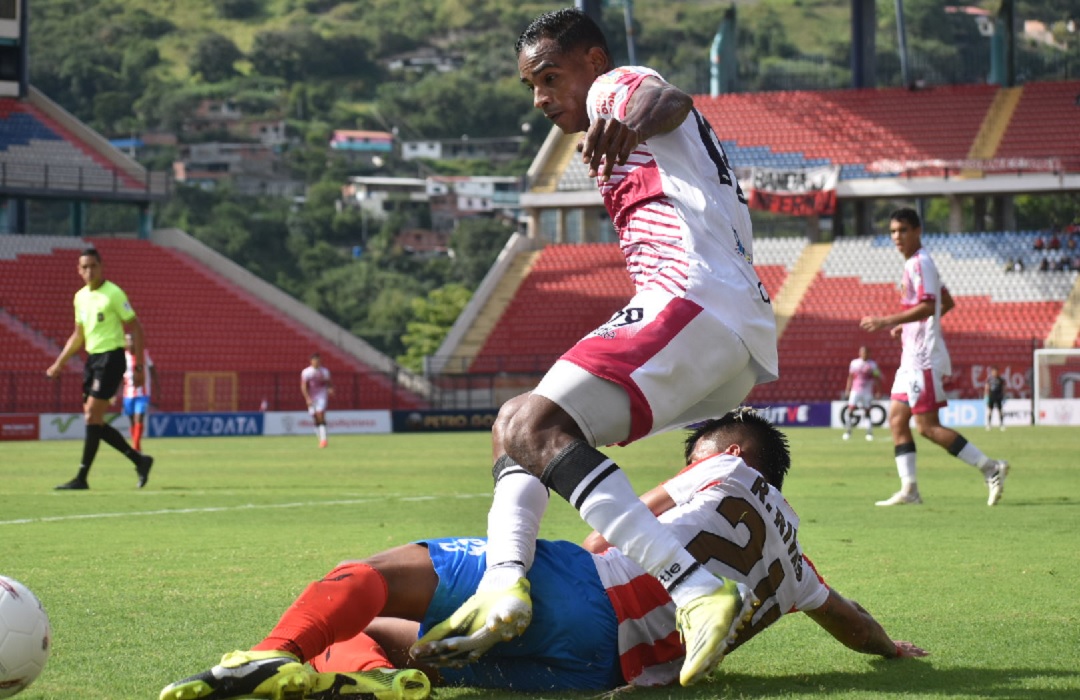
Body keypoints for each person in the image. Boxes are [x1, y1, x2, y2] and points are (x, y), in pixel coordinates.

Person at [416, 7, 780, 688]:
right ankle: (503, 584)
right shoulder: (606, 119)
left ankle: (694, 587)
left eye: (550, 78)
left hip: (693, 300)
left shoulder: (617, 89)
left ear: (592, 59)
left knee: (529, 422)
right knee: (518, 429)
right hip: (720, 326)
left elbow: (665, 100)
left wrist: (630, 112)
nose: (541, 98)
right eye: (532, 86)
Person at [158, 411, 927, 700]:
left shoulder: (720, 465)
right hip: (602, 673)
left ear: (725, 450)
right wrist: (893, 649)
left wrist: (546, 561)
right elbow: (852, 624)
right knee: (405, 646)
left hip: (582, 589)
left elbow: (615, 527)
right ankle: (370, 678)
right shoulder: (798, 567)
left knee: (361, 579)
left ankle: (268, 656)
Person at [859, 209, 1008, 507]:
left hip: (922, 358)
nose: (897, 237)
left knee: (927, 426)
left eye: (902, 230)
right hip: (909, 358)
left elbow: (929, 305)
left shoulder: (920, 263)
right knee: (897, 420)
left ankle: (990, 467)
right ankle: (910, 489)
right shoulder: (914, 264)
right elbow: (945, 302)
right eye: (892, 231)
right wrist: (906, 325)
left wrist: (888, 320)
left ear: (917, 231)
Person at [46, 247, 154, 490]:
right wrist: (59, 363)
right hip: (92, 360)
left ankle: (82, 478)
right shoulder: (80, 297)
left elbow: (136, 328)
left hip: (112, 358)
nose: (89, 271)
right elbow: (78, 335)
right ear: (78, 270)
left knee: (91, 416)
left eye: (93, 266)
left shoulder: (113, 294)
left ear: (101, 266)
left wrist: (137, 366)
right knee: (94, 420)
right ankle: (140, 460)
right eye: (84, 267)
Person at [122, 332, 159, 452]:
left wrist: (157, 387)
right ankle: (135, 443)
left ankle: (136, 447)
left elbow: (152, 370)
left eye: (132, 339)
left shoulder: (143, 354)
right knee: (132, 420)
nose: (131, 342)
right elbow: (119, 375)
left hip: (143, 393)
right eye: (128, 340)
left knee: (139, 417)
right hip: (128, 393)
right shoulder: (123, 357)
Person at [842, 345, 882, 441]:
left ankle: (869, 433)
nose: (864, 354)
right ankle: (848, 431)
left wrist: (879, 391)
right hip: (855, 391)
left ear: (869, 353)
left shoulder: (872, 365)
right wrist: (847, 389)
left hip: (867, 391)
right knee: (851, 410)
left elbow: (877, 378)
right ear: (859, 353)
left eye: (866, 352)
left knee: (867, 411)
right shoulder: (854, 363)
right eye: (862, 352)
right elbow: (850, 377)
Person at [301, 353, 334, 448]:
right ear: (311, 361)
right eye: (315, 360)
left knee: (320, 414)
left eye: (319, 360)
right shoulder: (306, 372)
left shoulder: (324, 371)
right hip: (312, 396)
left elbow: (328, 382)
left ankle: (324, 440)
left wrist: (330, 388)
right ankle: (320, 438)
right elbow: (304, 386)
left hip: (321, 395)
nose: (317, 362)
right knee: (315, 418)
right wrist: (307, 398)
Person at [984, 366, 1006, 431]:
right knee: (990, 411)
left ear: (997, 372)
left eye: (996, 371)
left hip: (998, 396)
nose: (994, 373)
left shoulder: (1001, 380)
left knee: (1000, 411)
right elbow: (986, 388)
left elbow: (1003, 388)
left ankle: (1001, 425)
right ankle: (989, 425)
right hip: (991, 397)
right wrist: (985, 396)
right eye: (993, 372)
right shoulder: (989, 379)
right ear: (991, 372)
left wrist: (1004, 396)